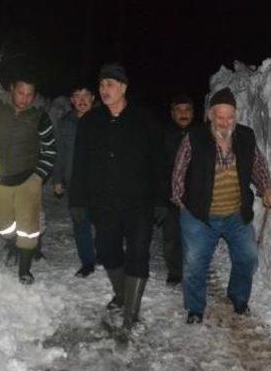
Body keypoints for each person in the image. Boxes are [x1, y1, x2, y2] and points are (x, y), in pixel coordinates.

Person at [69, 63, 167, 330]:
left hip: (139, 203)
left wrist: (161, 199)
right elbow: (80, 163)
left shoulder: (144, 120)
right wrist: (77, 200)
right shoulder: (91, 122)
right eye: (101, 85)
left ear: (124, 87)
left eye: (110, 85)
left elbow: (159, 161)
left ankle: (131, 312)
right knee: (107, 251)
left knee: (137, 252)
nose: (104, 90)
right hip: (104, 203)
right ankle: (122, 294)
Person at [171, 87, 271, 324]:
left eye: (230, 117)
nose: (225, 122)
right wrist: (181, 203)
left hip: (235, 214)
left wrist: (267, 187)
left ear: (236, 116)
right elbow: (179, 171)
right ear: (210, 115)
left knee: (248, 258)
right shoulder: (195, 137)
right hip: (200, 216)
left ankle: (239, 298)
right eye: (220, 117)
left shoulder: (246, 137)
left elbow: (257, 168)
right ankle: (195, 308)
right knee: (195, 264)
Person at [0, 75, 57, 285]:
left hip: (28, 179)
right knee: (2, 225)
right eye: (21, 93)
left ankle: (24, 269)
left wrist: (38, 177)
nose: (25, 99)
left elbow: (50, 150)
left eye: (29, 95)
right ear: (11, 89)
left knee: (28, 227)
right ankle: (12, 243)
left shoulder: (39, 117)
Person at [53, 84, 97, 278]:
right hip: (75, 181)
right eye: (77, 96)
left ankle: (106, 254)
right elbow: (60, 153)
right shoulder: (65, 123)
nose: (81, 100)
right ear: (72, 100)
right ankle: (87, 261)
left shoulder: (104, 120)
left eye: (85, 95)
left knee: (105, 221)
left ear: (93, 98)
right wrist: (57, 179)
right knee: (80, 223)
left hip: (100, 181)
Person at [162, 94, 195, 285]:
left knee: (194, 237)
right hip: (170, 196)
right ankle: (175, 272)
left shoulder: (201, 133)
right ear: (172, 113)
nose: (183, 114)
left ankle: (193, 270)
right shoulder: (163, 134)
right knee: (171, 236)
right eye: (179, 110)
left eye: (187, 110)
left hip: (195, 196)